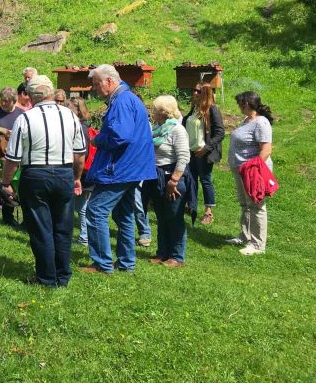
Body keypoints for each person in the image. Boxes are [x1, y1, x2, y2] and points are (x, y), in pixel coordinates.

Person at [1, 75, 87, 287]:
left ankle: (46, 277)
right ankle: (62, 275)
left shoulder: (25, 118)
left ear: (29, 96)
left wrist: (5, 183)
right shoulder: (70, 116)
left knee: (41, 228)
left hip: (35, 175)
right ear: (51, 92)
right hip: (64, 173)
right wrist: (76, 177)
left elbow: (12, 158)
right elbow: (80, 154)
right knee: (63, 227)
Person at [82, 65, 156, 275]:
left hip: (120, 168)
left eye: (96, 84)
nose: (94, 88)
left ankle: (102, 264)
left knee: (96, 210)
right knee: (123, 215)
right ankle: (126, 263)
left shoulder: (122, 102)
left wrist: (96, 139)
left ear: (109, 81)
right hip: (132, 168)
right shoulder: (127, 98)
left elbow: (120, 136)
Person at [227, 91, 274, 256]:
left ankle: (257, 244)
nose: (238, 106)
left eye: (239, 103)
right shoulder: (246, 120)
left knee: (256, 205)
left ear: (246, 104)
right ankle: (245, 236)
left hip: (252, 172)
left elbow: (266, 150)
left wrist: (253, 169)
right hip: (240, 169)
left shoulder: (261, 123)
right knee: (245, 204)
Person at [148, 96, 191, 267]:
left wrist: (173, 181)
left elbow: (183, 157)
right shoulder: (157, 128)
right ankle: (162, 252)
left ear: (164, 112)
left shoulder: (177, 130)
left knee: (174, 217)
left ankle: (177, 256)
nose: (152, 113)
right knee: (161, 216)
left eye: (155, 110)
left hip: (172, 177)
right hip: (157, 178)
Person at [183, 83, 224, 225]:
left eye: (198, 91)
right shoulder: (194, 108)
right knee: (191, 180)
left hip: (203, 153)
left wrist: (206, 148)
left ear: (205, 93)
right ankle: (191, 207)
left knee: (205, 180)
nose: (194, 93)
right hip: (190, 151)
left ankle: (208, 212)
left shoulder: (212, 109)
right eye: (193, 90)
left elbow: (220, 133)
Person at [0, 86, 25, 227]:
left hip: (16, 156)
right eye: (2, 100)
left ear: (14, 101)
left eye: (6, 101)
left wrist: (7, 132)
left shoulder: (21, 114)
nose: (3, 103)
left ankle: (11, 214)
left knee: (16, 185)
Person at [66, 97, 98, 245]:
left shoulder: (80, 128)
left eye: (69, 108)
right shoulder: (81, 126)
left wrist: (74, 172)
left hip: (81, 172)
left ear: (78, 111)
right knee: (81, 205)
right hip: (84, 172)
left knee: (82, 207)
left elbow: (82, 153)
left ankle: (85, 237)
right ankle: (84, 235)